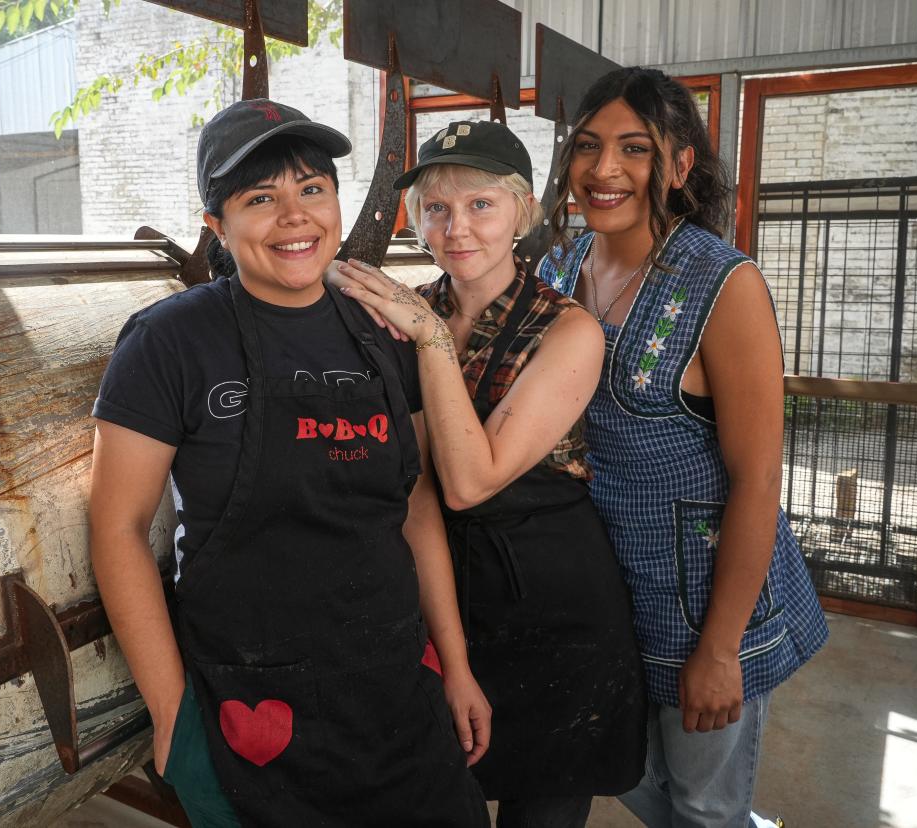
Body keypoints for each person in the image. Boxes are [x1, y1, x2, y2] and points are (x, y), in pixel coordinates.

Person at [89, 98, 491, 828]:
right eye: (260, 199)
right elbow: (117, 530)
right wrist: (174, 714)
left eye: (312, 189)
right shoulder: (169, 343)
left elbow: (415, 504)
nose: (295, 216)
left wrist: (455, 665)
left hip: (398, 693)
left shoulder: (378, 329)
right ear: (217, 224)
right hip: (253, 717)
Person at [329, 119, 646, 828]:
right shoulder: (407, 315)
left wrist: (433, 340)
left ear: (522, 213)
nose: (456, 228)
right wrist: (454, 656)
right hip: (449, 590)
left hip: (558, 607)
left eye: (480, 205)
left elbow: (472, 480)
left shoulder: (568, 331)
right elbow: (421, 495)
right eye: (437, 209)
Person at [536, 67, 830, 827]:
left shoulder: (722, 285)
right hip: (607, 595)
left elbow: (760, 476)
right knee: (626, 771)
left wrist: (721, 650)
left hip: (708, 598)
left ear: (680, 165)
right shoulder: (558, 271)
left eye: (634, 148)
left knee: (703, 804)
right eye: (588, 146)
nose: (604, 170)